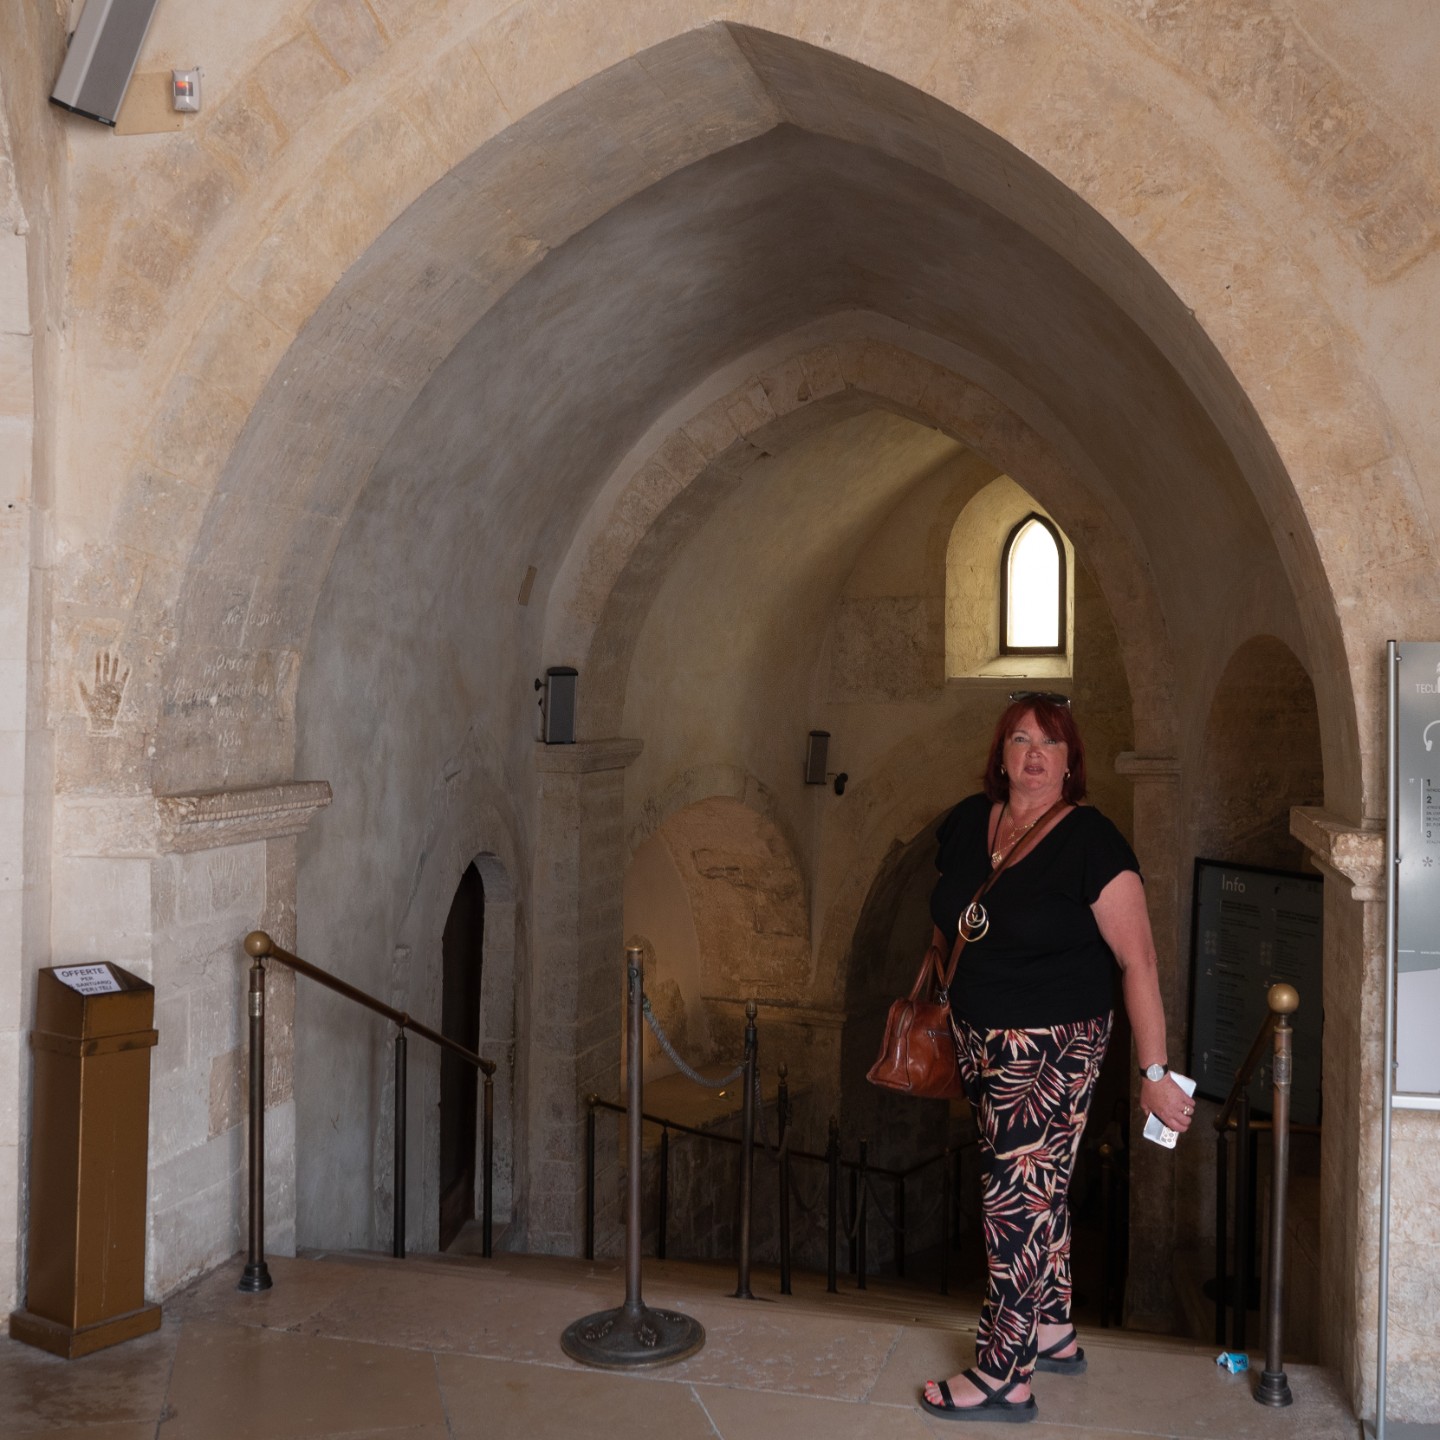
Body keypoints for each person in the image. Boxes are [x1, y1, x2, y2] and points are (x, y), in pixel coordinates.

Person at [920, 692, 1193, 1424]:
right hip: (979, 1039)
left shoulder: (1092, 842)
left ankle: (1003, 1374)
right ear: (1001, 756)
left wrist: (1154, 1074)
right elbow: (949, 916)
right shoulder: (967, 823)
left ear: (1071, 762)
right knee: (1038, 1189)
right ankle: (1052, 1329)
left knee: (1013, 1202)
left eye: (1050, 742)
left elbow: (1139, 961)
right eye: (1020, 739)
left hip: (1052, 1047)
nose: (1034, 754)